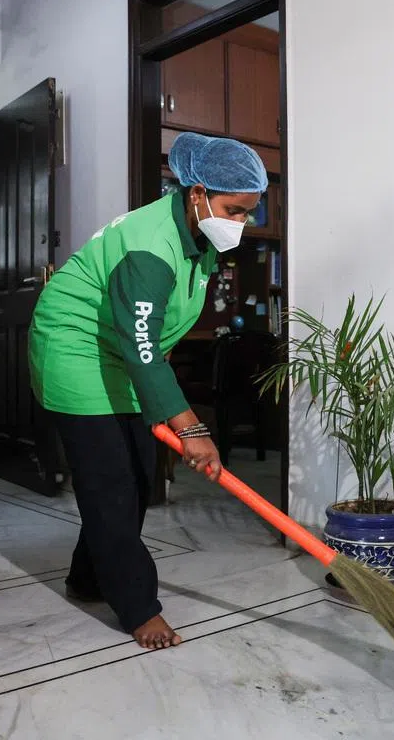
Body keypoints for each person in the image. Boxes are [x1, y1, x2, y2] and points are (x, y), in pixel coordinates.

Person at [28, 132, 267, 650]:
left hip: (122, 353)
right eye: (235, 209)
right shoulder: (150, 247)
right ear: (198, 192)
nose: (241, 223)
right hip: (77, 351)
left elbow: (147, 339)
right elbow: (142, 346)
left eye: (248, 213)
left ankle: (87, 578)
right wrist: (192, 427)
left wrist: (174, 411)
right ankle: (138, 607)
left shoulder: (194, 235)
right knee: (111, 487)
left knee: (136, 477)